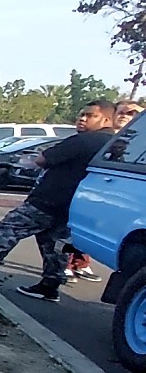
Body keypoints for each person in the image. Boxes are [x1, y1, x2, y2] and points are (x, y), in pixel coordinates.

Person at [0, 100, 116, 301]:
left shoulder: (83, 141)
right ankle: (50, 286)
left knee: (9, 228)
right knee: (53, 242)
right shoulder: (116, 145)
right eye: (81, 114)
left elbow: (43, 160)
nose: (82, 119)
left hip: (49, 199)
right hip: (74, 206)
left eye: (90, 115)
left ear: (107, 119)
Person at [63, 99, 142, 284]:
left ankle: (79, 263)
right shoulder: (106, 139)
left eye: (132, 113)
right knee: (76, 226)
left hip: (121, 197)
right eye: (122, 111)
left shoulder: (131, 142)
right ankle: (69, 264)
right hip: (85, 191)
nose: (125, 116)